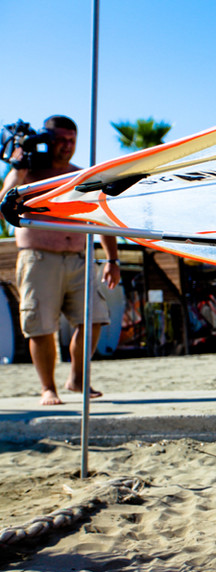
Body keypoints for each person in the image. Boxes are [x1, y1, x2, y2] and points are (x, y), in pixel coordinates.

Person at [0, 115, 120, 406]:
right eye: (60, 140)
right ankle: (47, 388)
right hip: (39, 258)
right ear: (46, 140)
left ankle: (77, 379)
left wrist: (112, 259)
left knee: (94, 319)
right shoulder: (28, 172)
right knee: (41, 326)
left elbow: (100, 217)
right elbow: (4, 201)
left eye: (72, 140)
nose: (66, 146)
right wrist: (17, 166)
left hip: (80, 258)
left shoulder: (80, 175)